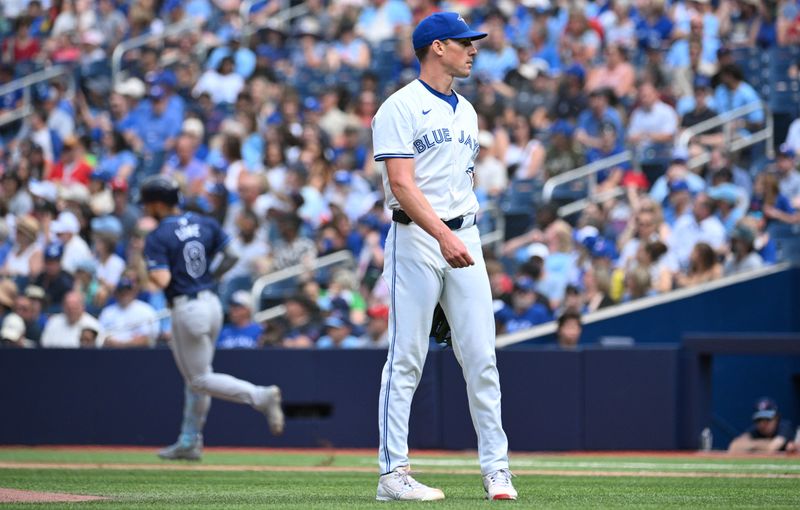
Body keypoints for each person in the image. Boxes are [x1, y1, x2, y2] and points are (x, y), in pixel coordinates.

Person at [370, 13, 516, 501]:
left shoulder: (468, 110)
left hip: (464, 237)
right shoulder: (400, 107)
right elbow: (401, 185)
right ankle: (393, 473)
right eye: (464, 42)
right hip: (416, 239)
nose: (473, 49)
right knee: (406, 358)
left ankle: (497, 470)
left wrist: (458, 235)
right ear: (436, 47)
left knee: (481, 358)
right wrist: (441, 235)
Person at [139, 175, 284, 461]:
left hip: (187, 307)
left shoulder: (158, 236)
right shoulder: (205, 222)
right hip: (212, 304)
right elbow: (231, 255)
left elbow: (162, 278)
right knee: (198, 375)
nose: (145, 209)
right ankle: (190, 439)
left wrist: (144, 269)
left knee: (199, 379)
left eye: (147, 204)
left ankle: (260, 396)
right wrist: (209, 276)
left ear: (157, 204)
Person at [98, 276, 160, 348]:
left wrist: (123, 345)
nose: (125, 294)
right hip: (111, 352)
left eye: (128, 290)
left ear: (134, 292)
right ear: (116, 293)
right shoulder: (107, 312)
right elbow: (100, 335)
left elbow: (148, 337)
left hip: (139, 353)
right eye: (121, 291)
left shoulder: (146, 310)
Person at [728, 397, 797, 453]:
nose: (763, 423)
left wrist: (750, 445)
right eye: (759, 419)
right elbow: (734, 446)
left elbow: (772, 448)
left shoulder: (784, 427)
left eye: (767, 419)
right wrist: (761, 444)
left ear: (776, 418)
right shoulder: (755, 430)